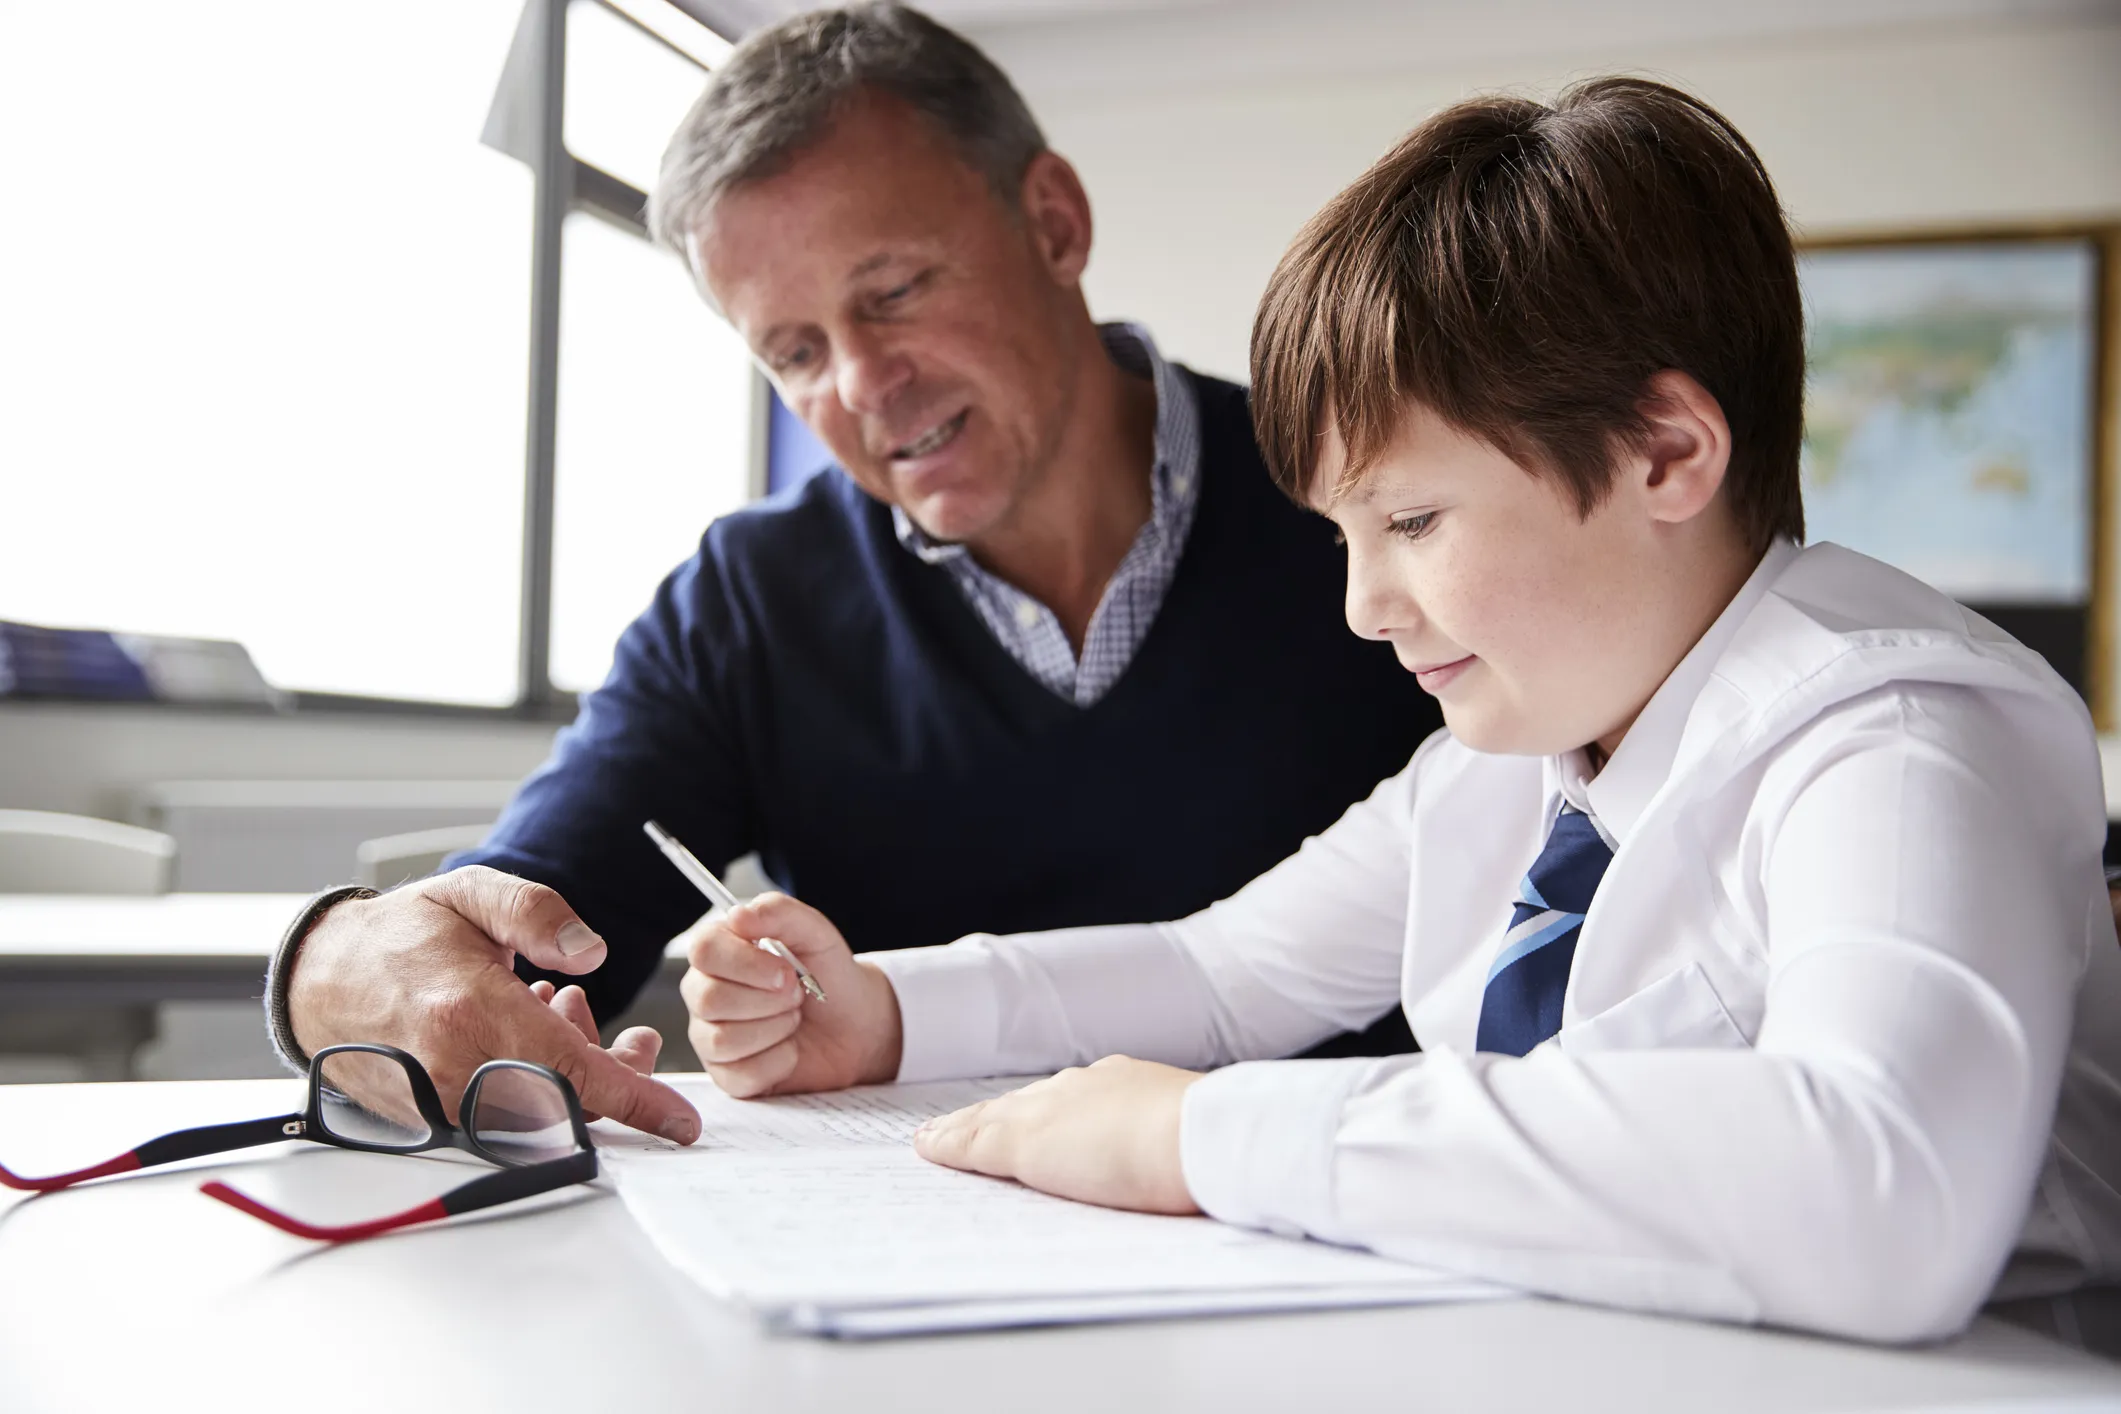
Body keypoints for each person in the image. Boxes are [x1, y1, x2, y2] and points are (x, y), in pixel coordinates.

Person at [677, 78, 2121, 1343]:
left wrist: (1209, 1136)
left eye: (1414, 519)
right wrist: (882, 1010)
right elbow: (1221, 972)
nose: (1364, 605)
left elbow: (1884, 1187)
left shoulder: (1893, 732)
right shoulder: (1521, 755)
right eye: (1343, 536)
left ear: (1664, 450)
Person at [263, 2, 1437, 1142]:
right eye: (796, 351)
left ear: (1054, 223)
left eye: (894, 293)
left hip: (1347, 1229)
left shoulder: (1371, 496)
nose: (866, 384)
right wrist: (340, 957)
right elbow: (525, 925)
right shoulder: (750, 602)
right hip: (908, 1255)